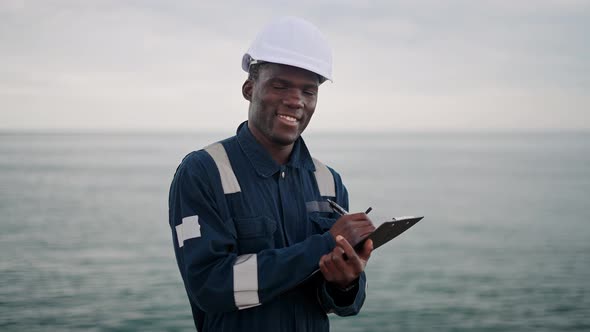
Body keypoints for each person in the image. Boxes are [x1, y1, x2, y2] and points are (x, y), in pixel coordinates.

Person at [168, 16, 375, 331]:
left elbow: (342, 304)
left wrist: (345, 283)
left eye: (309, 91)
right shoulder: (202, 172)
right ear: (249, 89)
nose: (295, 101)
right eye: (280, 86)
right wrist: (322, 246)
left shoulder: (328, 182)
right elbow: (209, 287)